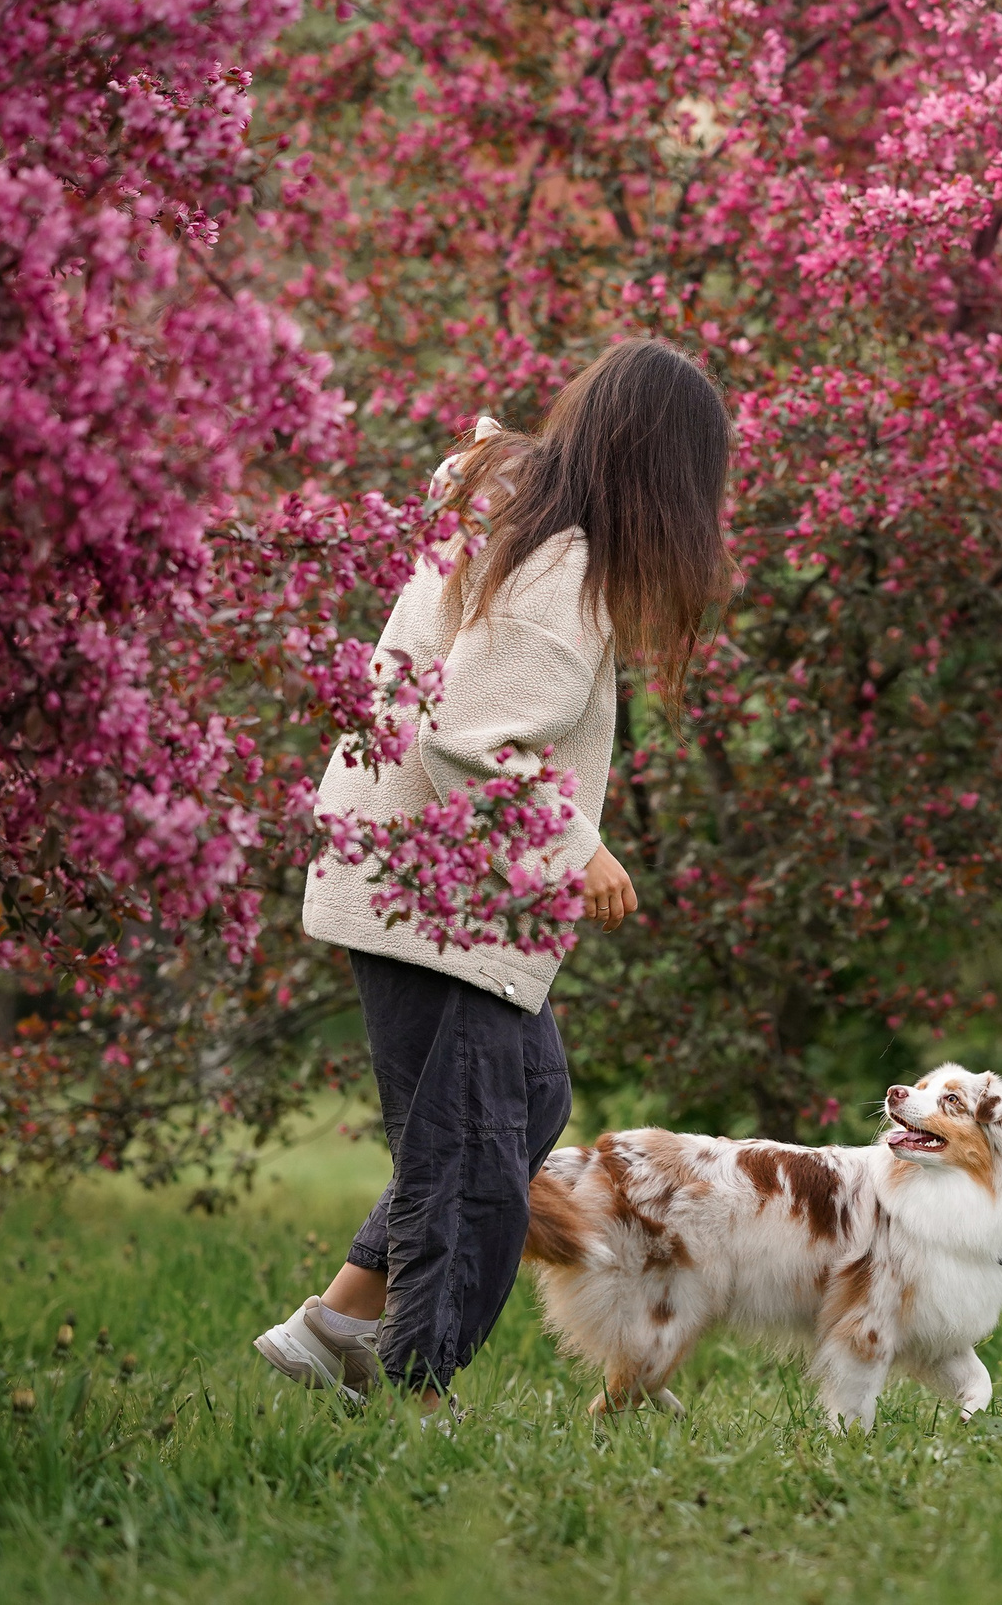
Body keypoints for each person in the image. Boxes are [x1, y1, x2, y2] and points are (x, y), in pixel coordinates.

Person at [253, 338, 731, 1414]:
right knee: (472, 1151)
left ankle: (336, 1321)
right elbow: (469, 734)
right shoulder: (560, 567)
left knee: (519, 1098)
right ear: (662, 472)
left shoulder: (519, 522)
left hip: (429, 884)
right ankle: (418, 1388)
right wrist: (580, 846)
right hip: (437, 894)